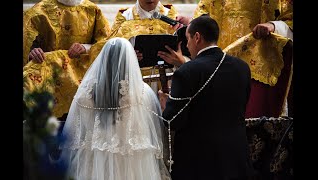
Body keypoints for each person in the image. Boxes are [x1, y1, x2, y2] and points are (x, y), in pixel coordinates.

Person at [59, 37, 171, 180]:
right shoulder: (142, 92)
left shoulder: (85, 93)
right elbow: (149, 128)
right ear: (129, 61)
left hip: (94, 161)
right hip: (131, 161)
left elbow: (76, 132)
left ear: (103, 59)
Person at [159, 15, 254, 180]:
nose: (187, 45)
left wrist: (165, 105)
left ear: (197, 37)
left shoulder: (186, 72)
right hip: (236, 154)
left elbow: (173, 121)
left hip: (200, 161)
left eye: (187, 39)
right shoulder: (242, 67)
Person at [161, 0, 293, 118]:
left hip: (258, 69)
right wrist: (192, 24)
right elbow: (205, 18)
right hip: (217, 68)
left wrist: (273, 25)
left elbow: (289, 18)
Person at [23, 0, 111, 119]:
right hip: (49, 79)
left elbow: (105, 44)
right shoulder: (39, 11)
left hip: (83, 80)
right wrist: (32, 52)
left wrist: (85, 47)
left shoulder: (93, 10)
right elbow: (27, 43)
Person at [88, 0, 180, 94]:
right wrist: (127, 55)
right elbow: (111, 48)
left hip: (168, 78)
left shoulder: (171, 15)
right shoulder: (125, 16)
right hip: (135, 78)